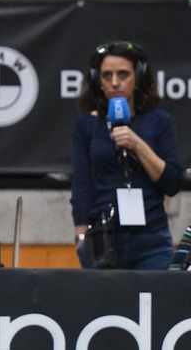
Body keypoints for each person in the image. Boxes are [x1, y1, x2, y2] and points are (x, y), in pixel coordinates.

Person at [72, 42, 182, 270]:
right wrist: (80, 234)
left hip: (151, 237)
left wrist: (136, 143)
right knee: (105, 305)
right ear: (97, 81)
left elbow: (172, 182)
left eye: (123, 74)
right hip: (103, 237)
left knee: (154, 304)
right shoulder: (86, 124)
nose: (114, 82)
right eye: (106, 75)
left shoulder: (158, 121)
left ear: (138, 78)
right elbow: (82, 183)